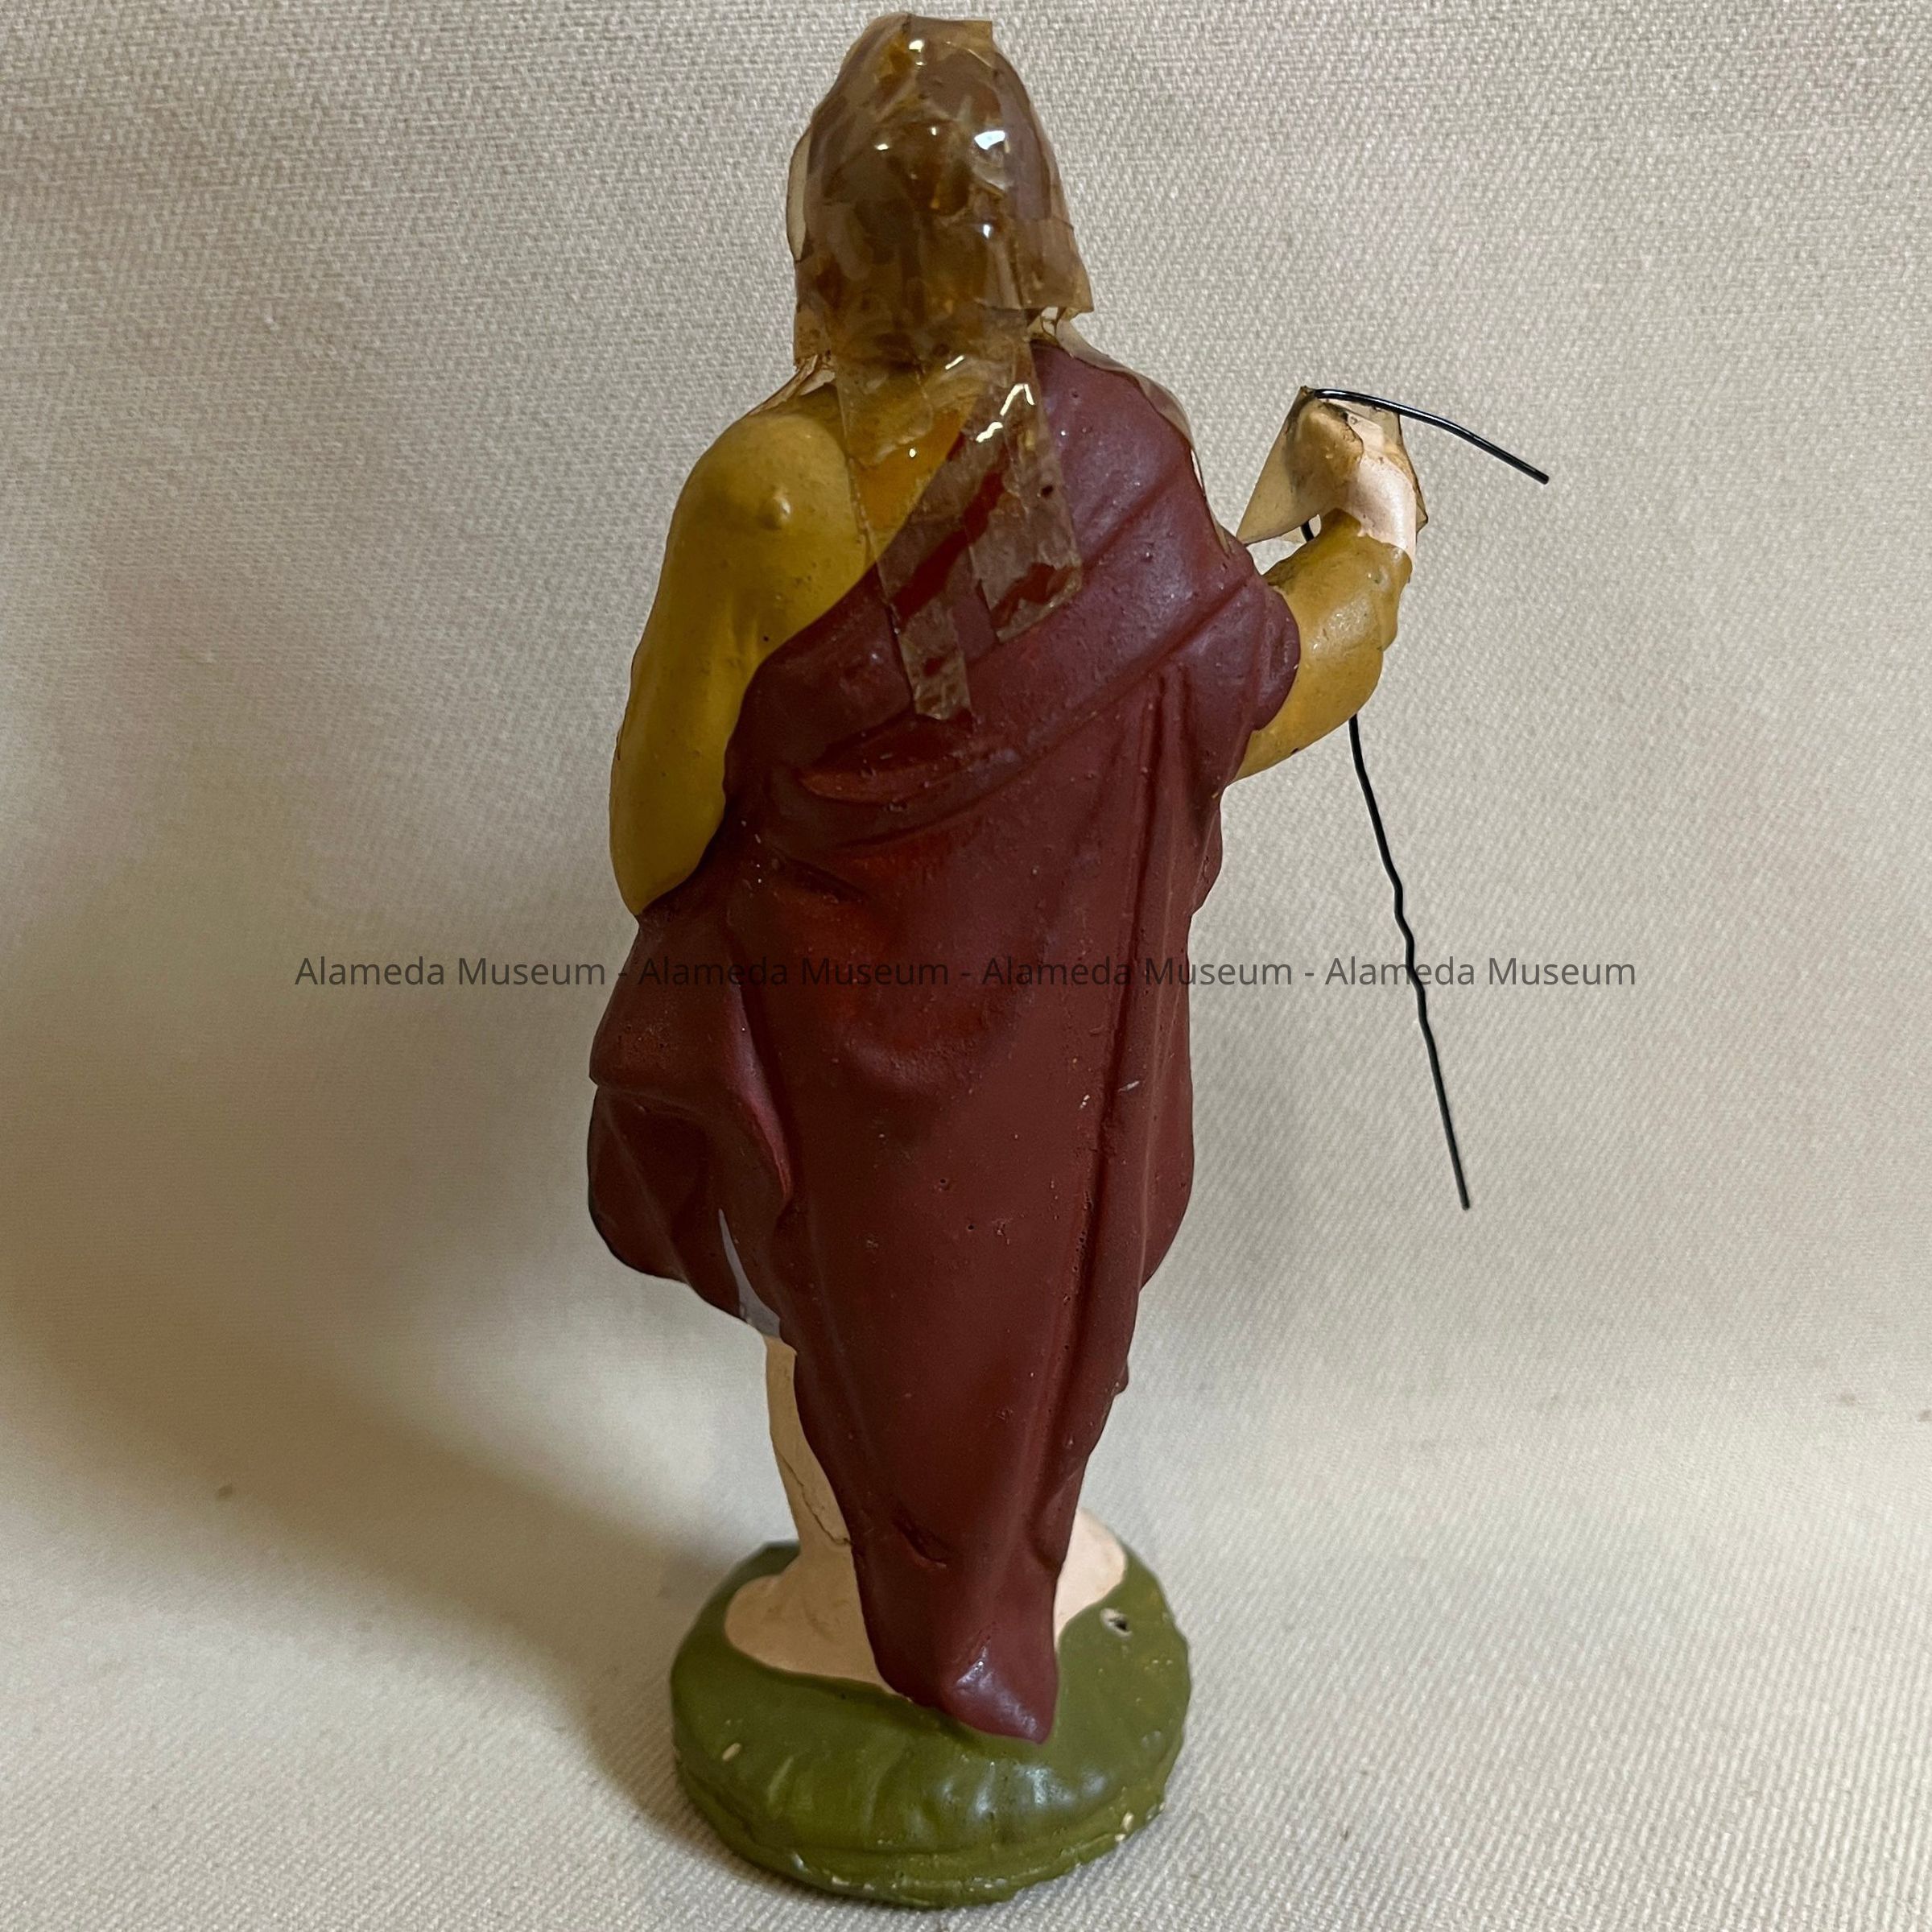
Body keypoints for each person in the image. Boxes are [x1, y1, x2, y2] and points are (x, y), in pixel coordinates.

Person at [588, 13, 1422, 1743]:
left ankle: (872, 1607)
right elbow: (1250, 680)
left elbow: (652, 844)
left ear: (818, 242)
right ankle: (1006, 1576)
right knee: (1033, 1320)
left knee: (836, 1331)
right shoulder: (1114, 451)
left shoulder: (763, 492)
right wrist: (1375, 535)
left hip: (826, 1050)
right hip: (1059, 1053)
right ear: (1041, 229)